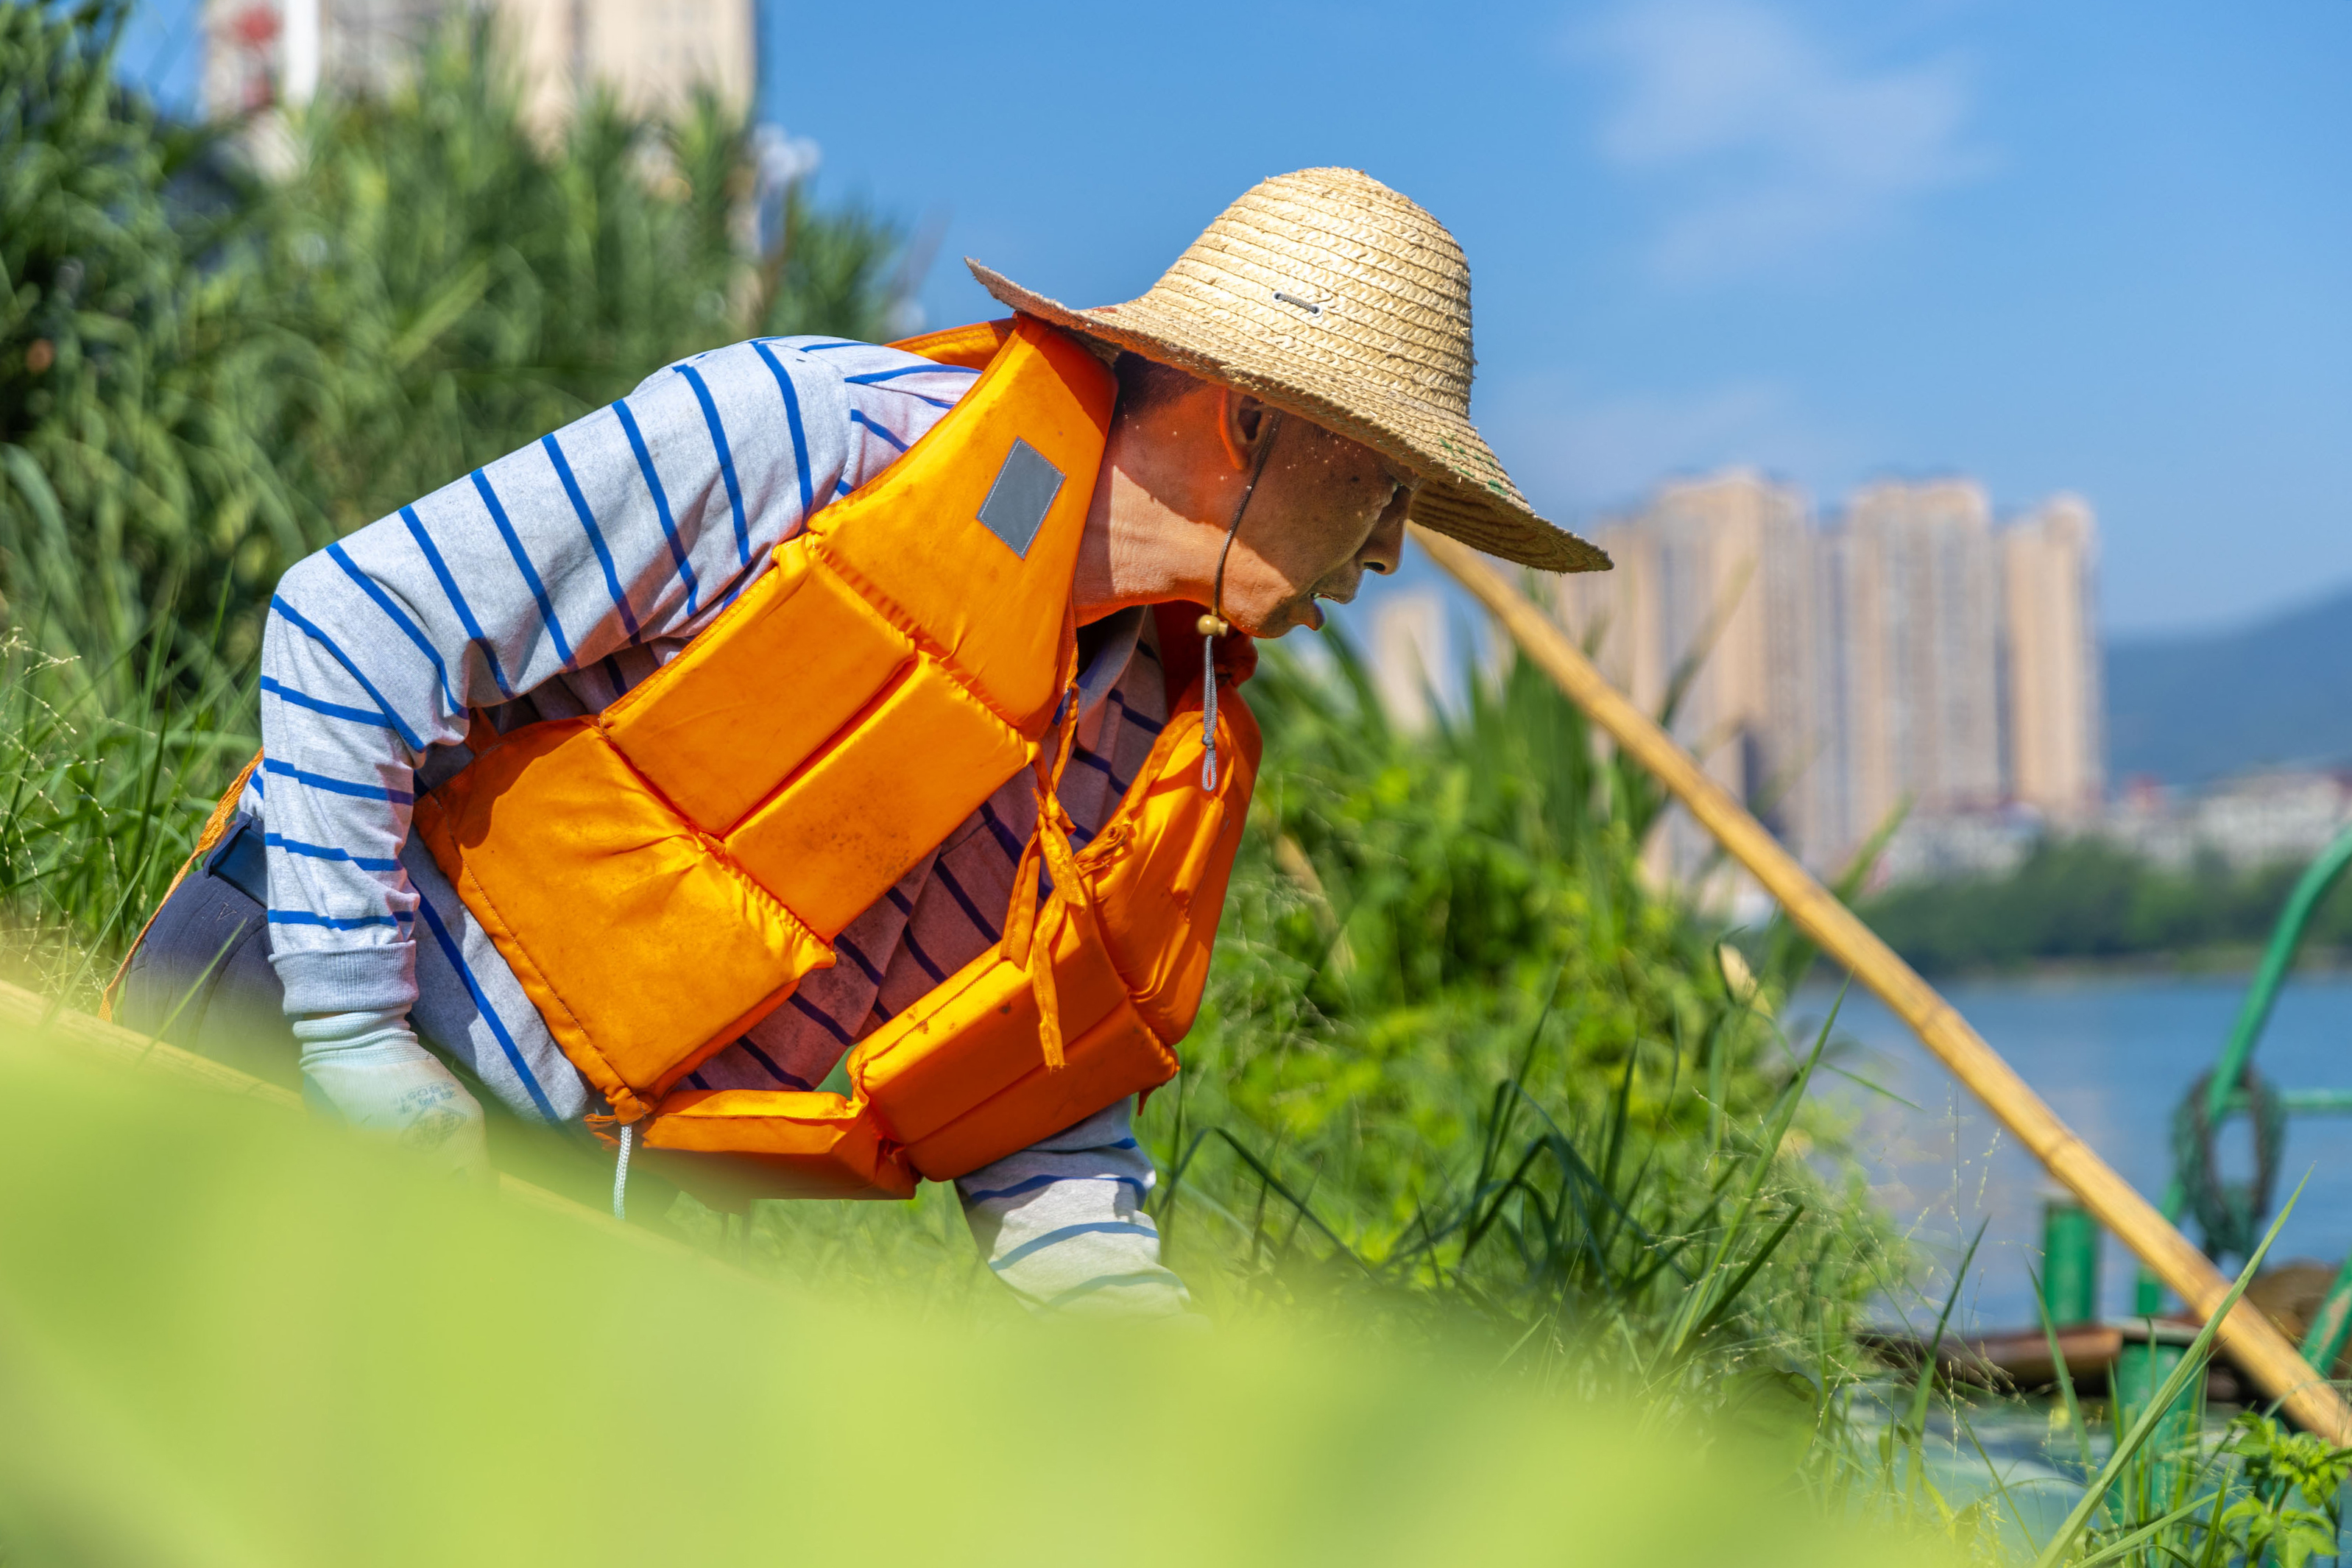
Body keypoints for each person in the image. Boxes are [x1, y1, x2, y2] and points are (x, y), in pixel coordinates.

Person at [109, 166, 1607, 1315]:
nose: (1395, 549)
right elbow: (349, 622)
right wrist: (357, 1037)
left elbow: (1043, 1123)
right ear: (1254, 423)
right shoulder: (805, 435)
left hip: (552, 1191)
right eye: (1387, 487)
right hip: (288, 1026)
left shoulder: (1151, 732)